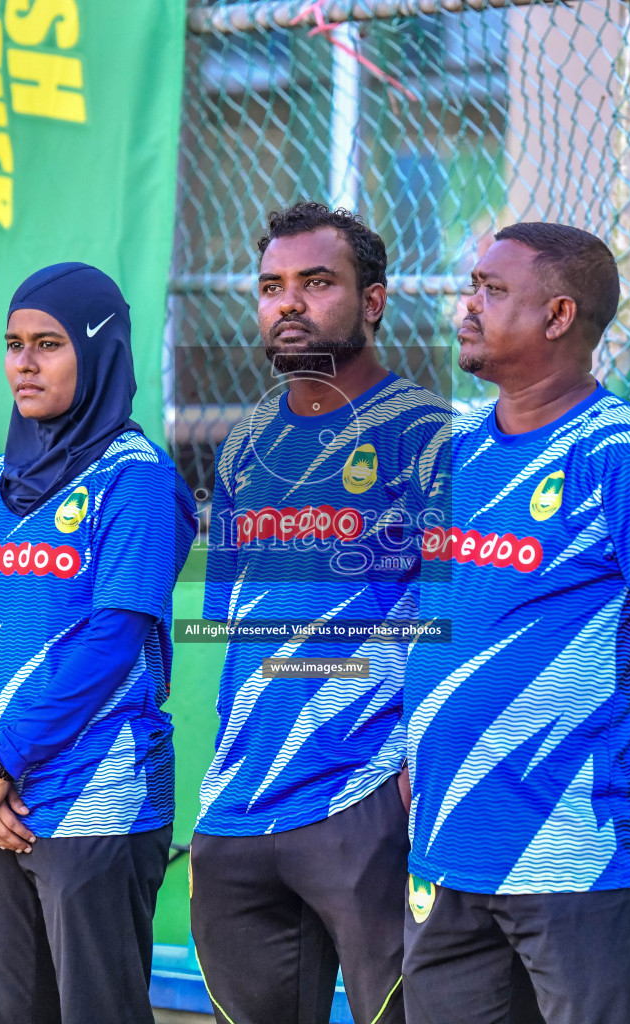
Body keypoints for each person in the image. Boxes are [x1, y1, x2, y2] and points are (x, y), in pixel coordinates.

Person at [402, 222, 630, 1024]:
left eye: (491, 290)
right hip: (446, 848)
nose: (467, 305)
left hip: (577, 853)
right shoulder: (456, 451)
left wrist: (621, 742)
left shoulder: (629, 455)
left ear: (557, 316)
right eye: (470, 286)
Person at [191, 201, 450, 1024]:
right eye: (271, 286)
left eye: (315, 283)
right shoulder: (244, 443)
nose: (288, 303)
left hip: (365, 793)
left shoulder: (428, 435)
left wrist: (415, 760)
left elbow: (451, 613)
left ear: (373, 301)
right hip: (239, 801)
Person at [0, 262, 196, 1023]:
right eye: (14, 344)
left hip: (96, 799)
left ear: (100, 350)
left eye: (48, 343)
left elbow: (113, 639)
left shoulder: (136, 481)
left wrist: (2, 762)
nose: (24, 362)